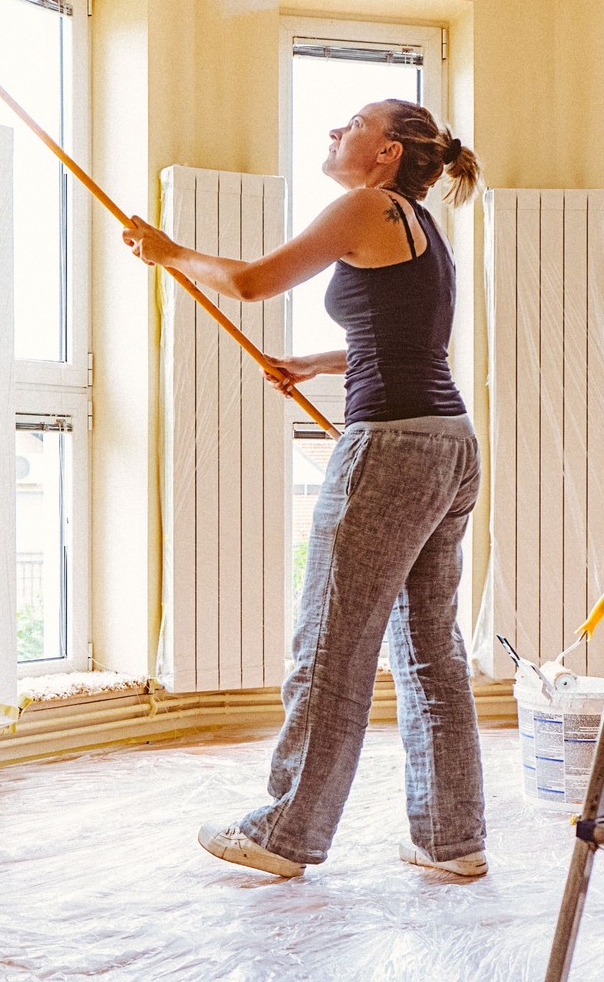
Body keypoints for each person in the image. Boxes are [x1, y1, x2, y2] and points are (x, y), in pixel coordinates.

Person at [122, 99, 487, 879]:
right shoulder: (424, 231)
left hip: (390, 447)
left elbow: (253, 283)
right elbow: (401, 343)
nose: (333, 132)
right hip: (449, 444)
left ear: (387, 151)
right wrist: (317, 366)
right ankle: (451, 840)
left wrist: (167, 250)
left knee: (331, 641)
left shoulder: (364, 205)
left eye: (350, 123)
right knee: (429, 652)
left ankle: (286, 833)